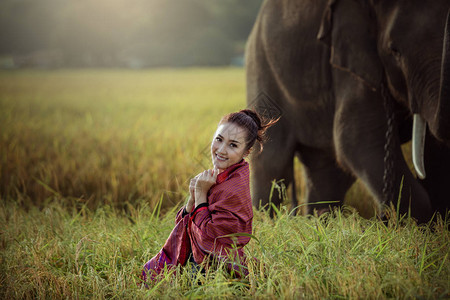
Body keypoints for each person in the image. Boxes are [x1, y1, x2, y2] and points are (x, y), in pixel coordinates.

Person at [141, 109, 277, 283]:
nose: (221, 149)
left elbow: (210, 239)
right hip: (200, 262)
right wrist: (193, 198)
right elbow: (183, 226)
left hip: (218, 271)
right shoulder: (219, 176)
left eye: (233, 145)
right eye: (219, 139)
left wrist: (200, 194)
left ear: (246, 152)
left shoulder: (233, 187)